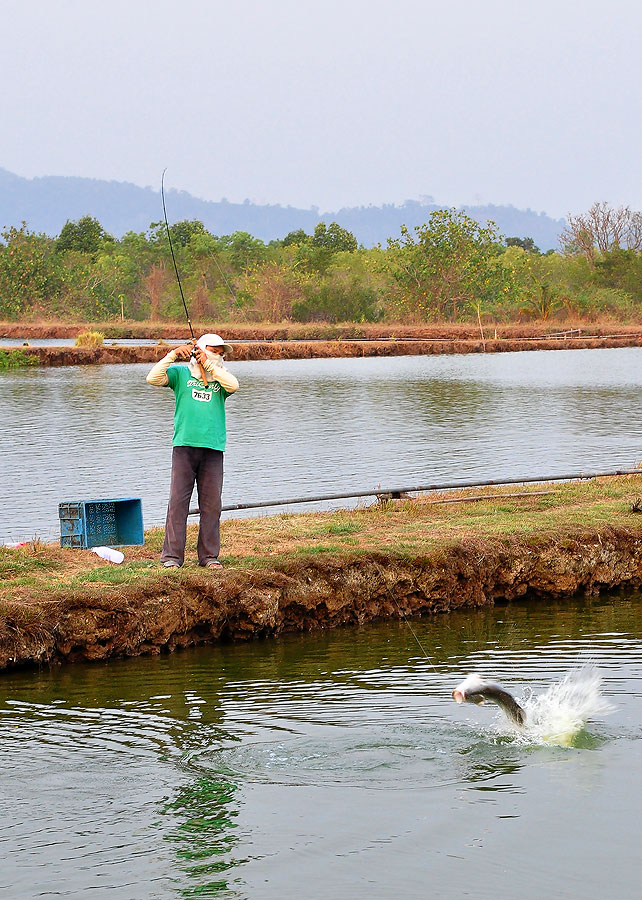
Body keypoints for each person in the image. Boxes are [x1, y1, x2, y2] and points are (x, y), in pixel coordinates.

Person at [146, 333, 239, 569]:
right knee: (178, 502)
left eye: (221, 352)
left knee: (212, 505)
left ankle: (209, 556)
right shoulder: (181, 375)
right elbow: (153, 378)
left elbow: (234, 386)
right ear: (199, 348)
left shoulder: (220, 380)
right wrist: (173, 354)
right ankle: (172, 557)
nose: (218, 355)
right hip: (184, 447)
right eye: (213, 350)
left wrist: (209, 365)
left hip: (213, 448)